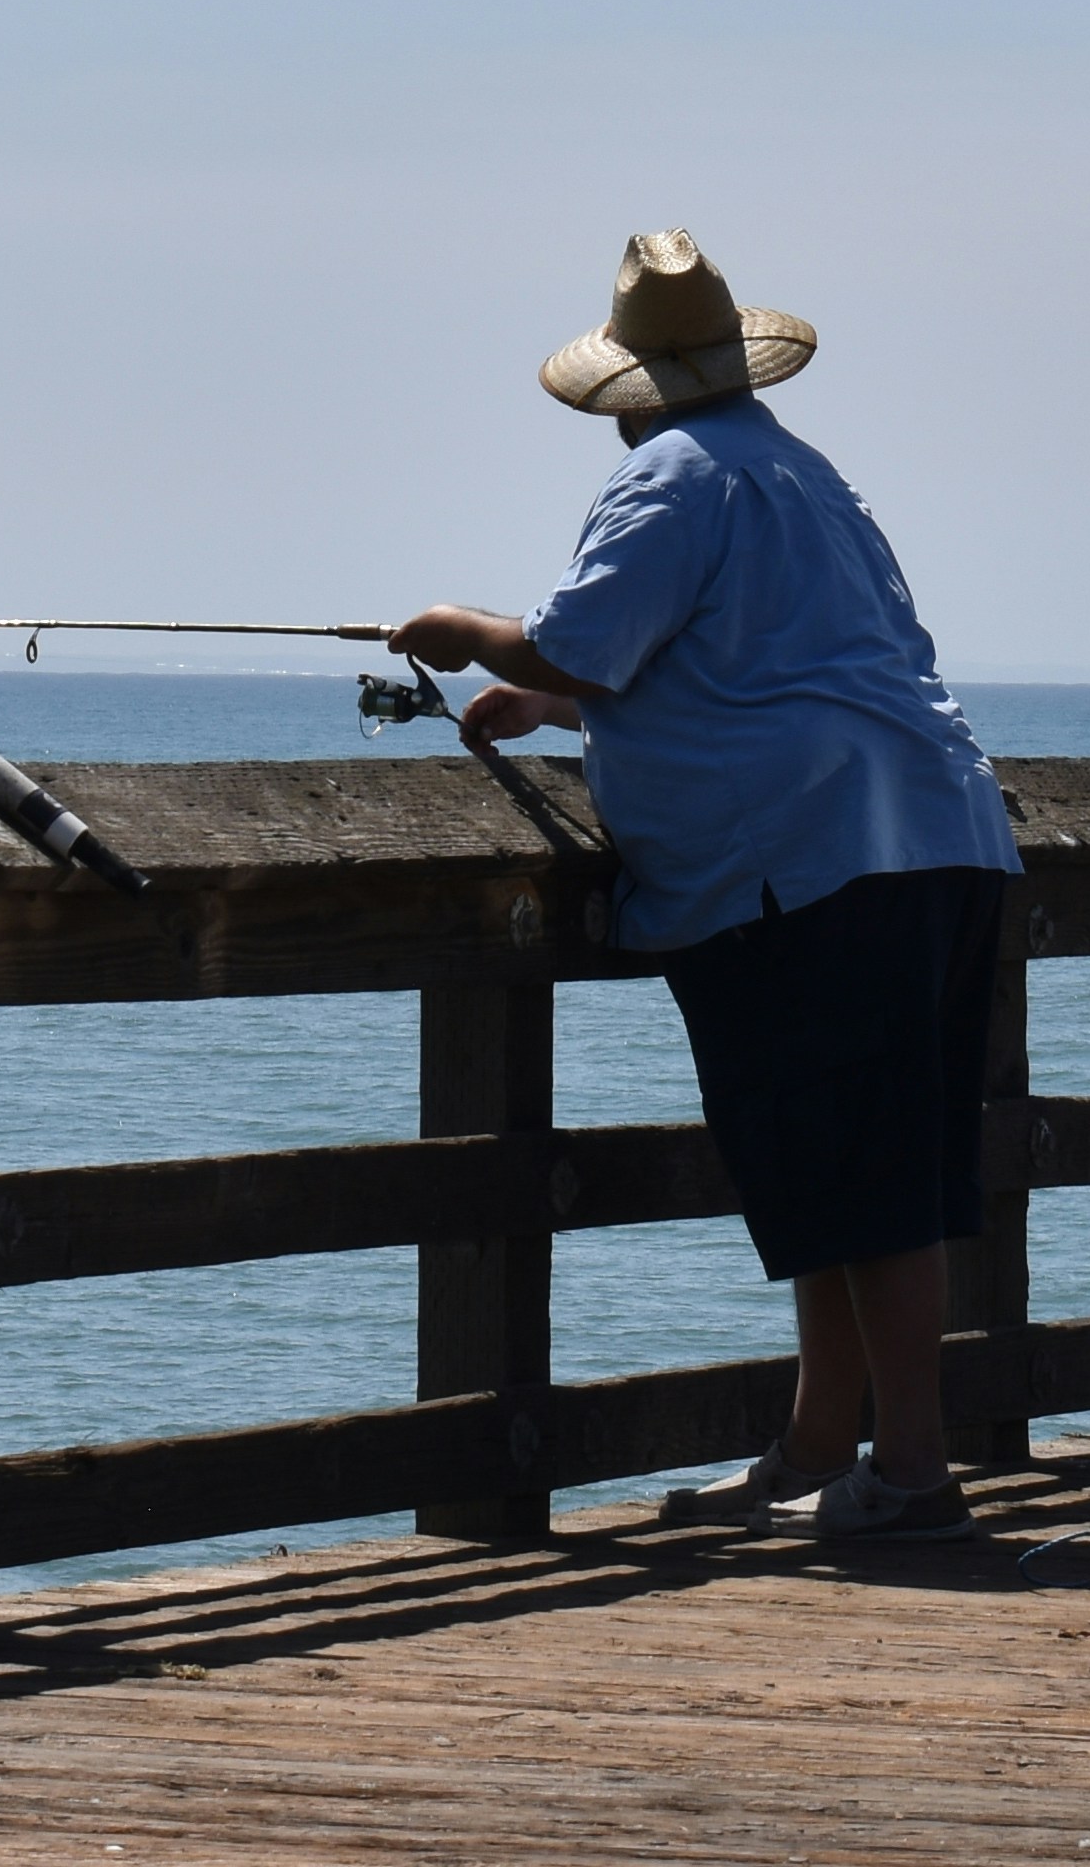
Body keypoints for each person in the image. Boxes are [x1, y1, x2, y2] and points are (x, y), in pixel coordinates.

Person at [393, 231, 1020, 1544]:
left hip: (809, 870)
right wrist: (562, 705)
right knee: (835, 1169)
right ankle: (815, 1445)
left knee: (869, 1174)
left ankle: (909, 1473)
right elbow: (757, 671)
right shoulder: (805, 474)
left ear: (630, 388)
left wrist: (464, 635)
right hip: (934, 837)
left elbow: (577, 637)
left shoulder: (672, 479)